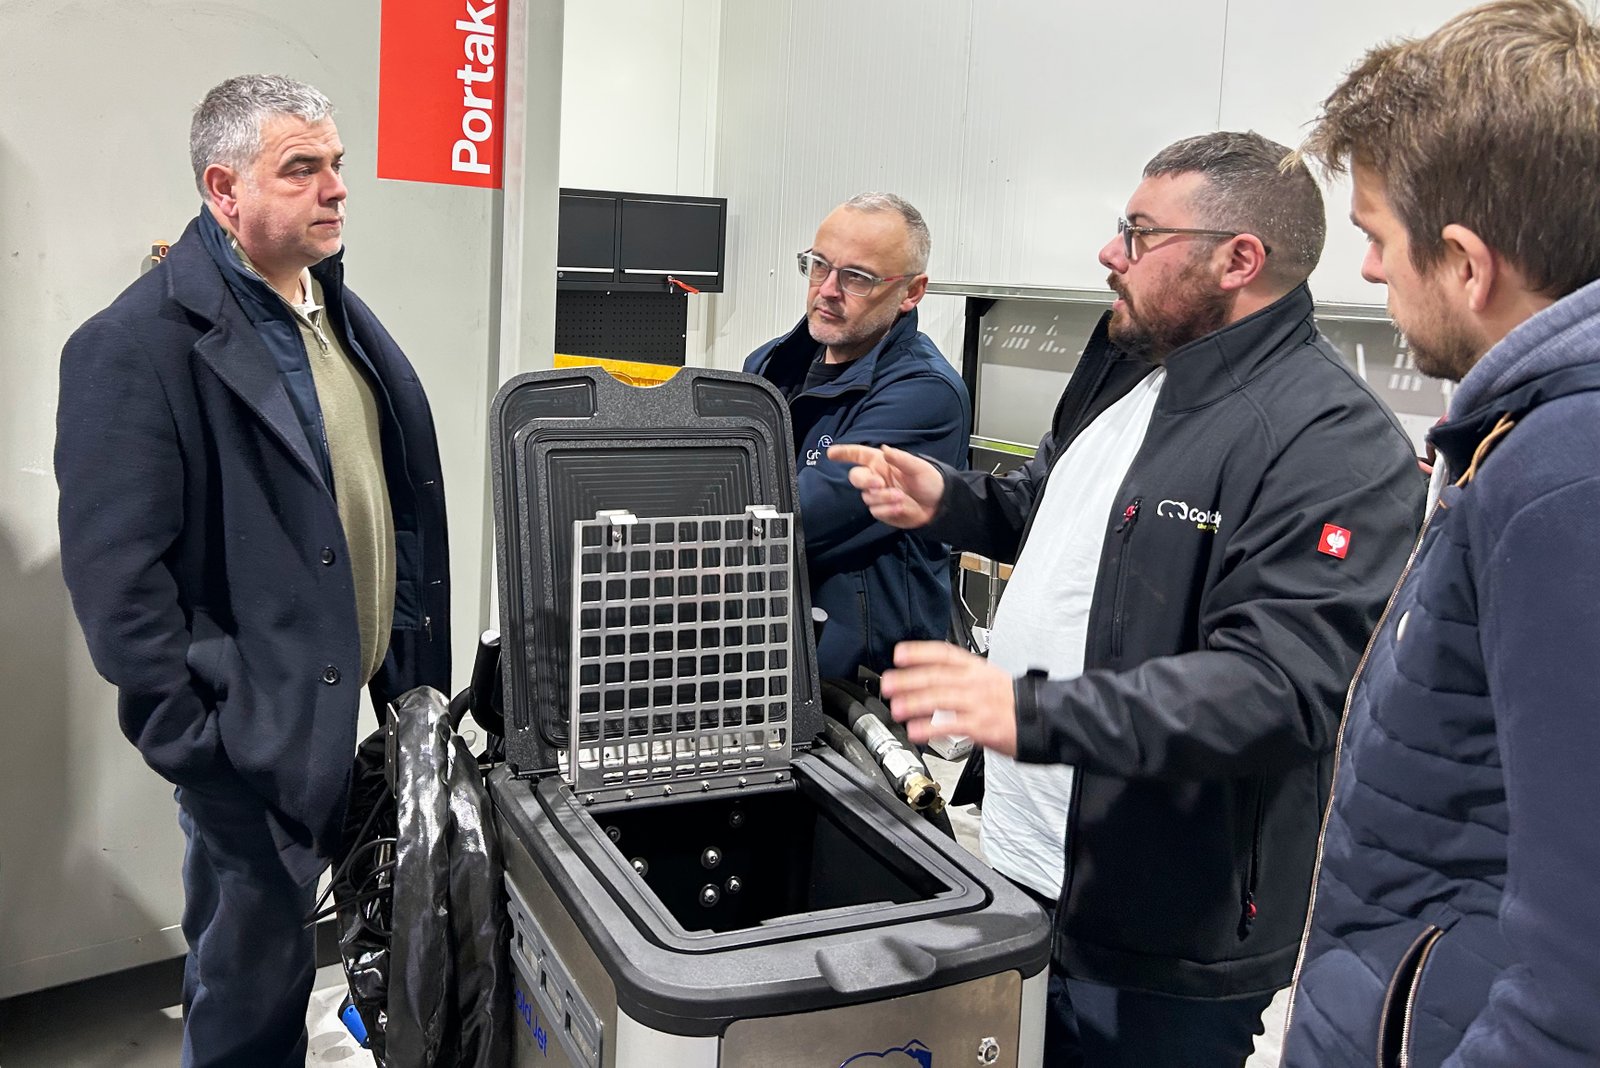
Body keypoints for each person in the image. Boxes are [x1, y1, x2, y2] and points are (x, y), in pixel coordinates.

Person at [830, 132, 1424, 1066]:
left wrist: (1028, 710)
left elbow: (1276, 690)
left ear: (1238, 260)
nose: (1111, 253)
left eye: (1140, 234)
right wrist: (950, 502)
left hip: (1163, 931)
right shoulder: (1127, 363)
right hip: (1028, 860)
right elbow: (1059, 512)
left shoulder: (1332, 442)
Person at [55, 74, 450, 1067]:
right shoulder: (134, 347)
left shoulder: (329, 310)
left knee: (313, 963)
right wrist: (206, 743)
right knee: (247, 1000)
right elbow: (119, 588)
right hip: (250, 743)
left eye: (337, 164)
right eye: (302, 168)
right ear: (224, 190)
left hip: (345, 709)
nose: (337, 188)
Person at [1280, 2, 1600, 1064]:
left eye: (1377, 239)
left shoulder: (1564, 476)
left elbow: (1579, 987)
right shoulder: (1528, 442)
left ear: (1466, 262)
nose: (1371, 270)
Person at [744, 192, 969, 681]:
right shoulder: (768, 368)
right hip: (766, 651)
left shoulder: (925, 393)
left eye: (857, 278)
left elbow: (804, 514)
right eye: (819, 266)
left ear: (911, 292)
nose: (827, 290)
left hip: (863, 677)